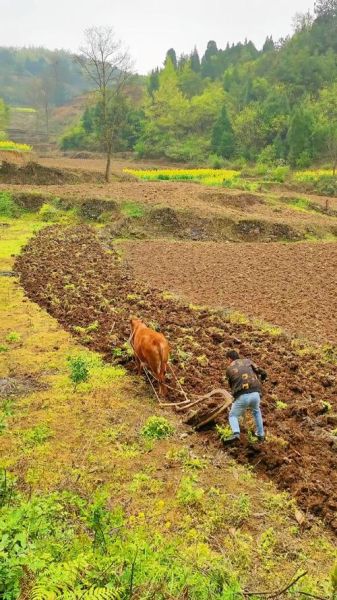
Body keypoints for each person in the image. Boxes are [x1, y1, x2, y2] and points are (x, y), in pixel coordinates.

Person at [223, 349, 267, 444]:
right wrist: (262, 380)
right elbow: (262, 372)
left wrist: (235, 396)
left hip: (242, 395)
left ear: (229, 359)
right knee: (256, 411)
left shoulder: (229, 368)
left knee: (233, 415)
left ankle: (236, 434)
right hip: (256, 394)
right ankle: (261, 435)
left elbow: (232, 385)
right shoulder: (248, 361)